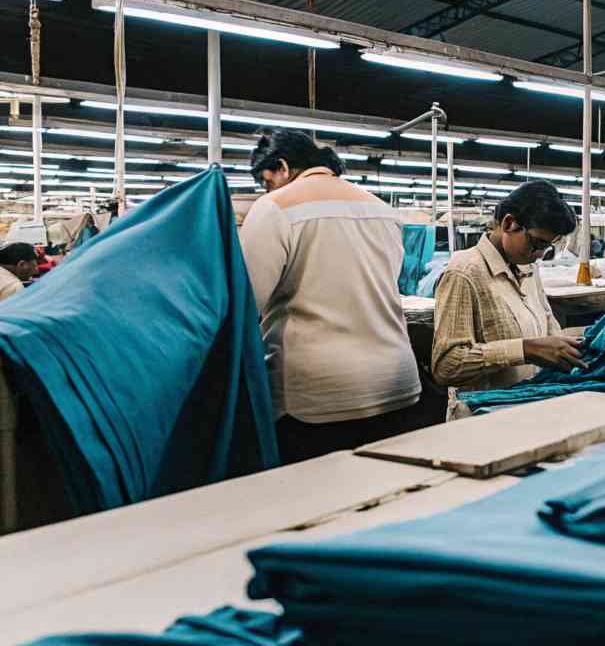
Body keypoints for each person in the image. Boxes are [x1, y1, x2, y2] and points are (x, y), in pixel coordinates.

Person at [239, 128, 421, 464]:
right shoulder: (381, 210)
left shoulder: (274, 208)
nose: (266, 190)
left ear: (281, 166)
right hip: (395, 383)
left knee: (320, 502)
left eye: (266, 181)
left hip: (319, 396)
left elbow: (247, 302)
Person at [432, 180, 587, 401]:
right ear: (509, 223)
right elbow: (446, 365)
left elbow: (549, 325)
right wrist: (526, 350)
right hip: (484, 417)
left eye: (547, 246)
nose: (540, 254)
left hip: (526, 404)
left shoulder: (529, 268)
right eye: (537, 243)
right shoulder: (464, 272)